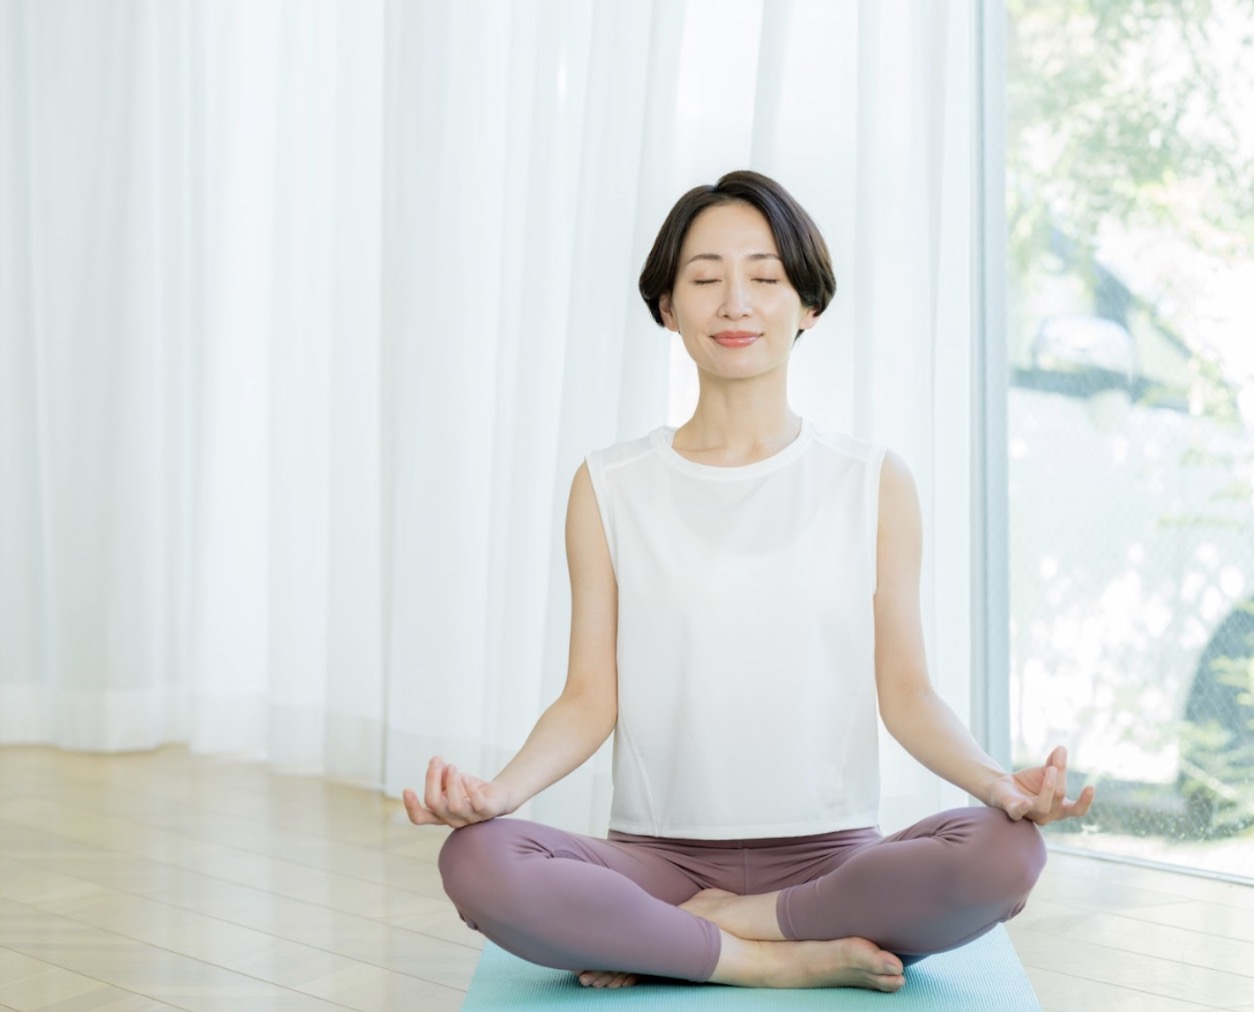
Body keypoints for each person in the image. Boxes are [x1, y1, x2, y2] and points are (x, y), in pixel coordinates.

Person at [402, 169, 1094, 993]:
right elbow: (590, 697)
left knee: (1007, 852)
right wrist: (499, 793)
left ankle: (694, 939)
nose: (736, 303)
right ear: (667, 306)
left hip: (831, 864)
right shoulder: (609, 483)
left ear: (808, 305)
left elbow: (907, 693)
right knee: (480, 860)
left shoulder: (872, 480)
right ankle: (777, 961)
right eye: (705, 279)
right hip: (657, 862)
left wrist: (998, 787)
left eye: (766, 279)